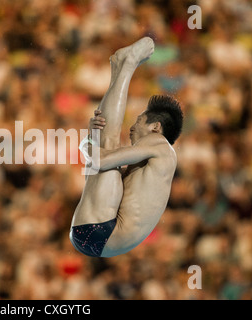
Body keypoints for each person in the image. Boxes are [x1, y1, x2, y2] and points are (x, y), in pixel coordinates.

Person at [70, 37, 183, 258]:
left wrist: (86, 142)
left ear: (155, 127)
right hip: (96, 235)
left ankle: (127, 64)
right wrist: (90, 138)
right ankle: (119, 68)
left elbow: (98, 160)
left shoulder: (160, 144)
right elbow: (98, 170)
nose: (131, 128)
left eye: (139, 120)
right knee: (104, 146)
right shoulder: (153, 163)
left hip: (100, 230)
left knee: (107, 144)